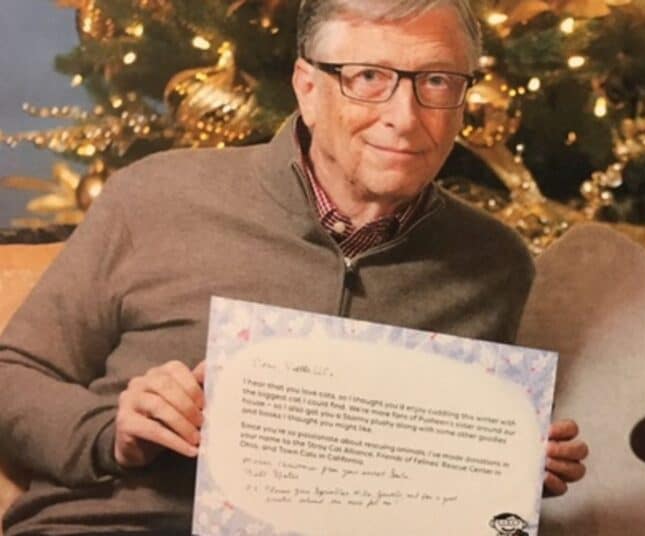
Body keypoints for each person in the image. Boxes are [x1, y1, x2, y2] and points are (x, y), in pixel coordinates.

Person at [0, 0, 587, 533]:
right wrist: (113, 430)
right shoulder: (157, 196)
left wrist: (511, 471)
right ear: (308, 88)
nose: (405, 118)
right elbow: (13, 377)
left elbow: (458, 486)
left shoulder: (495, 264)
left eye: (436, 81)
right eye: (368, 78)